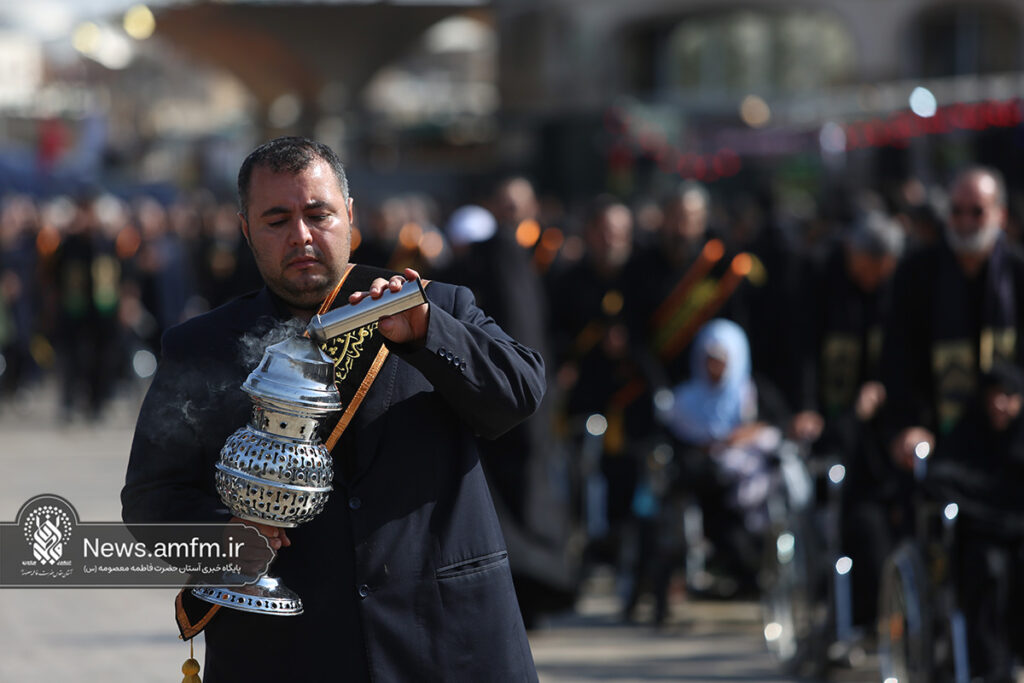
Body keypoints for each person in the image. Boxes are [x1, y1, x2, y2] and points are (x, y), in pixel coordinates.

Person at [121, 137, 546, 681]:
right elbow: (150, 498)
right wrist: (221, 536)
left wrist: (427, 333)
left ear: (349, 214)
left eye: (318, 214)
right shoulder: (200, 345)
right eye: (277, 220)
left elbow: (519, 395)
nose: (300, 235)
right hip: (285, 653)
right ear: (246, 229)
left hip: (443, 643)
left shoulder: (431, 305)